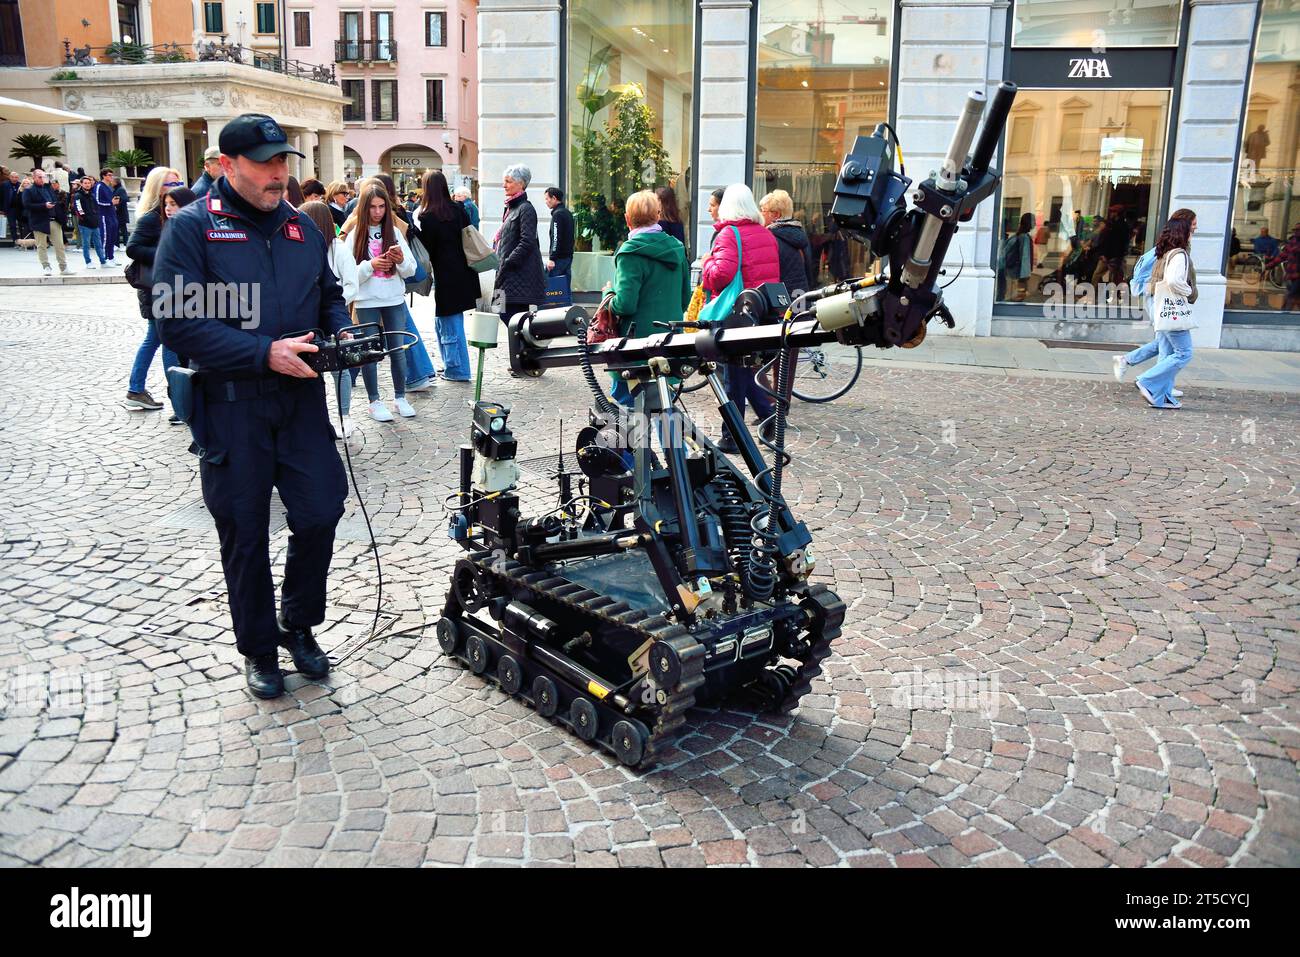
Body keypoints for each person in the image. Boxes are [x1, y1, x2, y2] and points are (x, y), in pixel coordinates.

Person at [154, 112, 350, 699]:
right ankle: (260, 648)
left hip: (301, 401)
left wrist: (340, 335)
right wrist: (263, 352)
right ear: (226, 165)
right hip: (232, 404)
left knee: (321, 509)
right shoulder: (192, 229)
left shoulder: (300, 228)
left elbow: (330, 298)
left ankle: (298, 623)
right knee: (244, 530)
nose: (277, 173)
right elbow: (177, 322)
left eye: (282, 161)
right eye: (264, 163)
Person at [702, 184, 781, 453]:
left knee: (734, 377)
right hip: (759, 313)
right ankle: (770, 419)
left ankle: (732, 436)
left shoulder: (729, 234)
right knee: (742, 372)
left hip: (737, 315)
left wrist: (707, 262)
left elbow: (720, 275)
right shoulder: (766, 235)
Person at [335, 180, 419, 421]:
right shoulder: (354, 234)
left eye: (382, 206)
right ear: (364, 208)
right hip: (366, 301)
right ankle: (374, 401)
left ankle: (400, 397)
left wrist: (400, 260)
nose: (378, 212)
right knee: (369, 352)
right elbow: (348, 276)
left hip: (393, 298)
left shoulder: (393, 232)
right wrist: (370, 265)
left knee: (397, 350)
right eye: (372, 207)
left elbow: (411, 269)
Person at [604, 190, 691, 406]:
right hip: (669, 340)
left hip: (635, 344)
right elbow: (685, 298)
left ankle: (630, 440)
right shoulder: (677, 248)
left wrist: (608, 294)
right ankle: (674, 442)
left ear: (627, 219)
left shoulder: (629, 253)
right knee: (664, 408)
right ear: (658, 215)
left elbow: (625, 304)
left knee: (625, 407)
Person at [1113, 209, 1196, 393]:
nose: (1196, 226)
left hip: (1158, 297)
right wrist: (1143, 289)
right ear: (1183, 224)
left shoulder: (1176, 245)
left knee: (1164, 342)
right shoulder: (1171, 248)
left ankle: (1131, 364)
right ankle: (1156, 383)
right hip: (1157, 298)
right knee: (1169, 344)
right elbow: (1143, 267)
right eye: (1193, 223)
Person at [124, 167, 186, 411]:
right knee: (166, 341)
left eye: (179, 182)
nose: (177, 186)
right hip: (157, 290)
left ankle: (136, 389)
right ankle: (180, 403)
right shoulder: (151, 217)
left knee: (155, 340)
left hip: (169, 288)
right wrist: (165, 255)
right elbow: (133, 248)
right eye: (171, 184)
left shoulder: (171, 215)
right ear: (158, 188)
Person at [297, 199, 359, 437]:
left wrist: (334, 312)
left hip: (332, 320)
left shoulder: (339, 249)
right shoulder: (300, 248)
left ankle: (344, 415)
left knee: (338, 369)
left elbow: (350, 285)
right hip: (310, 325)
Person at [417, 170, 478, 383]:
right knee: (449, 321)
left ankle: (457, 369)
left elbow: (427, 250)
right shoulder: (458, 209)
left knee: (449, 322)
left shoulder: (428, 217)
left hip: (446, 275)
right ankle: (452, 365)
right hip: (465, 272)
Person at [1135, 211, 1199, 410]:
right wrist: (1188, 291)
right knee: (1184, 352)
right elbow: (1173, 281)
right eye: (1194, 224)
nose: (1196, 227)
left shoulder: (1164, 251)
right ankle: (1147, 380)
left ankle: (1162, 396)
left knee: (1168, 351)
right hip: (1173, 310)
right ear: (1185, 228)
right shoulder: (1179, 254)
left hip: (1162, 308)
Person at [493, 164, 546, 327]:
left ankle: (524, 350)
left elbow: (527, 241)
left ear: (521, 184)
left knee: (514, 318)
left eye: (508, 181)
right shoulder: (510, 208)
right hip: (504, 273)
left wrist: (509, 261)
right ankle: (523, 349)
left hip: (516, 275)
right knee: (498, 310)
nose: (504, 185)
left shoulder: (525, 208)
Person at [23, 168, 70, 276]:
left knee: (59, 245)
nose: (42, 179)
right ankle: (46, 266)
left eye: (43, 177)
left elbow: (55, 201)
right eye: (40, 177)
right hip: (39, 221)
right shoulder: (29, 190)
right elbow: (27, 205)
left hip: (54, 220)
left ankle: (63, 267)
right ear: (33, 177)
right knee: (41, 245)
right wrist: (44, 205)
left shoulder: (48, 188)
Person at [72, 174, 107, 269]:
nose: (87, 185)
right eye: (85, 183)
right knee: (86, 244)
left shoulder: (92, 195)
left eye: (89, 183)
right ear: (81, 184)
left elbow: (96, 208)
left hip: (95, 223)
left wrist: (96, 218)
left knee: (98, 244)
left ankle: (103, 261)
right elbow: (79, 210)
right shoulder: (78, 196)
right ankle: (88, 262)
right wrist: (86, 219)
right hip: (85, 225)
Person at [544, 186, 574, 288]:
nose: (546, 201)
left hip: (559, 259)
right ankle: (567, 304)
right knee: (565, 288)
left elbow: (556, 237)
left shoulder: (557, 215)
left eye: (547, 198)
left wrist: (552, 258)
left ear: (554, 198)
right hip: (568, 257)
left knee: (554, 290)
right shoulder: (567, 213)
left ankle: (557, 305)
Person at [999, 213, 1034, 301]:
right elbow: (1025, 257)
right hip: (1015, 271)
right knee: (1014, 296)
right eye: (1034, 221)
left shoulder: (1016, 236)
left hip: (1008, 269)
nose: (1035, 223)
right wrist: (1026, 275)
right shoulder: (1024, 237)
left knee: (1007, 293)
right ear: (1029, 222)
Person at [1267, 222, 1300, 312]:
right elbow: (1282, 256)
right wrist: (1270, 265)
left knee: (1290, 296)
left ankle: (1284, 315)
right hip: (1291, 275)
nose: (1296, 232)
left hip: (1297, 276)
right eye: (1295, 230)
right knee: (1293, 296)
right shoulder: (1292, 241)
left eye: (1298, 230)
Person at [94, 169, 122, 266]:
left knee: (113, 236)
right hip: (104, 215)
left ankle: (111, 257)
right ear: (104, 176)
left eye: (112, 175)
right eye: (109, 175)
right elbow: (97, 201)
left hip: (112, 214)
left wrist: (113, 203)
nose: (111, 177)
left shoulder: (109, 187)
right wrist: (111, 203)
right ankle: (104, 259)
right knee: (106, 237)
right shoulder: (99, 186)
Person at [113, 174, 131, 247]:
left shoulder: (120, 189)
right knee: (117, 229)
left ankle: (125, 243)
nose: (111, 182)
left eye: (113, 181)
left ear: (116, 182)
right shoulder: (117, 189)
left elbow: (124, 199)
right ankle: (117, 244)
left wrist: (116, 206)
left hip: (121, 213)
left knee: (123, 229)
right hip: (118, 213)